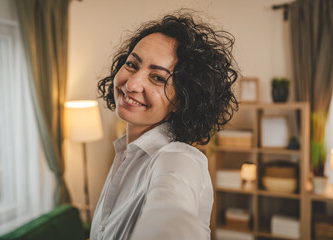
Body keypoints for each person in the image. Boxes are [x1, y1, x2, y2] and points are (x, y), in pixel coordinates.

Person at [90, 12, 238, 240]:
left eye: (158, 78)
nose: (132, 84)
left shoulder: (178, 158)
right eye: (132, 64)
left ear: (182, 99)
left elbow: (170, 214)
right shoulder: (125, 152)